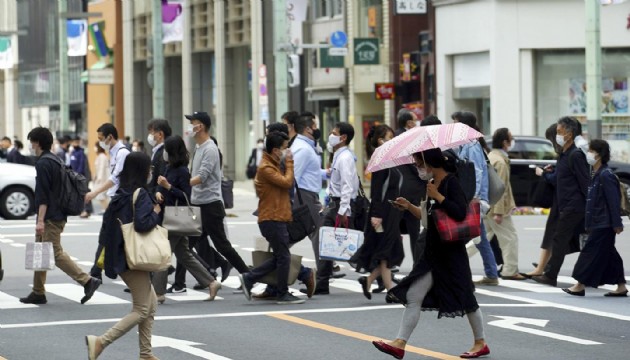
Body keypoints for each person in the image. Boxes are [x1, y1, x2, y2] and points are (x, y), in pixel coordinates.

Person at [372, 148, 489, 360]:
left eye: (418, 163)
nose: (417, 168)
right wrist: (408, 206)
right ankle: (399, 343)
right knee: (414, 295)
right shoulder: (432, 184)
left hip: (452, 252)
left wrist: (439, 196)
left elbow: (459, 212)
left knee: (466, 297)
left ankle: (480, 342)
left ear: (430, 163)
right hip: (433, 251)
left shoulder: (451, 183)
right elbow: (428, 218)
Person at [85, 152, 161, 360]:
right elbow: (143, 224)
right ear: (142, 170)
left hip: (121, 255)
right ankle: (101, 342)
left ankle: (146, 353)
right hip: (135, 258)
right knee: (142, 308)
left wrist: (98, 264)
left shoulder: (120, 195)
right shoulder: (141, 195)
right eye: (149, 169)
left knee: (150, 304)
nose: (151, 173)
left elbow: (105, 231)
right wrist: (156, 211)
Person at [19, 127, 101, 305]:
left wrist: (40, 220)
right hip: (58, 212)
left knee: (53, 252)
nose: (31, 145)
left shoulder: (43, 163)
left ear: (37, 143)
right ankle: (38, 291)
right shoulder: (55, 159)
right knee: (41, 252)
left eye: (32, 141)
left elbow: (43, 195)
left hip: (51, 216)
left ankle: (87, 280)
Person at [254, 115, 319, 300]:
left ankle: (301, 276)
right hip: (274, 209)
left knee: (281, 251)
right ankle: (277, 286)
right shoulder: (273, 158)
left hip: (281, 210)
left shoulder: (285, 158)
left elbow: (288, 183)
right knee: (279, 251)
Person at [152, 135, 222, 304]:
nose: (165, 154)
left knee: (163, 255)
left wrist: (169, 187)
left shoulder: (182, 171)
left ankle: (158, 293)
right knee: (184, 255)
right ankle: (211, 282)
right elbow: (161, 187)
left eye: (167, 151)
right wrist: (159, 192)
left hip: (175, 219)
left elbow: (187, 196)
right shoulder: (169, 168)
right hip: (169, 216)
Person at [238, 131, 306, 305]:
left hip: (277, 217)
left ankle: (249, 279)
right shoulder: (266, 168)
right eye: (285, 147)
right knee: (283, 256)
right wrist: (290, 163)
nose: (288, 151)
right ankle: (281, 293)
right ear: (276, 150)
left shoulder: (274, 164)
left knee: (280, 256)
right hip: (271, 218)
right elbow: (287, 182)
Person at [186, 111, 250, 275]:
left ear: (201, 127)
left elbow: (202, 176)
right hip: (198, 204)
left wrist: (182, 183)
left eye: (192, 123)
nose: (190, 127)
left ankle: (247, 274)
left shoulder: (210, 149)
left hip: (209, 206)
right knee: (186, 245)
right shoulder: (198, 147)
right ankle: (206, 275)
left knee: (222, 245)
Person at [563, 139, 627, 297]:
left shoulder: (606, 175)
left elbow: (613, 202)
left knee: (589, 252)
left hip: (604, 223)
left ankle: (579, 284)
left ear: (599, 155)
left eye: (591, 151)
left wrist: (617, 224)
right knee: (610, 254)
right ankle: (621, 286)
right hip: (598, 221)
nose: (588, 154)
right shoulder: (596, 174)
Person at [532, 117, 590, 287]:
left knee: (560, 239)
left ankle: (550, 275)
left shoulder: (575, 155)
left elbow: (585, 182)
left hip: (574, 206)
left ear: (569, 134)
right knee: (574, 240)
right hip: (567, 205)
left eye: (559, 132)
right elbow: (560, 178)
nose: (557, 136)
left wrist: (589, 206)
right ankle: (608, 275)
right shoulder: (565, 155)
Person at [355, 125, 404, 299]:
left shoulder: (391, 159)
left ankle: (368, 280)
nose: (392, 140)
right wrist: (376, 214)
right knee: (385, 251)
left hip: (392, 213)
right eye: (388, 137)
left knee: (390, 250)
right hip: (383, 214)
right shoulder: (380, 159)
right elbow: (376, 191)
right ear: (379, 140)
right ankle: (391, 290)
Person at [313, 122, 359, 294]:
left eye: (334, 133)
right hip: (334, 203)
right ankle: (322, 283)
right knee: (325, 241)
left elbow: (348, 186)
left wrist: (343, 210)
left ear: (343, 137)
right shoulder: (339, 155)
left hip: (339, 205)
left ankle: (377, 271)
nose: (330, 136)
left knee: (344, 242)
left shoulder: (345, 158)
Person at [85, 123, 131, 280]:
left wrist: (95, 192)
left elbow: (115, 178)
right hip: (116, 199)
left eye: (101, 138)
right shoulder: (113, 152)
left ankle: (96, 271)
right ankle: (96, 270)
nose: (100, 142)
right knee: (109, 235)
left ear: (110, 137)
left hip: (120, 200)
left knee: (110, 235)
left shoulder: (122, 153)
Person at [485, 128, 526, 281]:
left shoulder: (491, 156)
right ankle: (510, 271)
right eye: (511, 138)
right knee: (510, 239)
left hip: (488, 206)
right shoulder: (500, 162)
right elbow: (500, 189)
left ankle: (454, 262)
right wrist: (499, 212)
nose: (512, 141)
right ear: (505, 142)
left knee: (480, 238)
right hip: (496, 208)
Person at [521, 124, 560, 278]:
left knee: (556, 237)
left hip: (565, 203)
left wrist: (543, 174)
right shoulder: (567, 154)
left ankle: (544, 269)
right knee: (555, 236)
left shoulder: (569, 154)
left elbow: (559, 179)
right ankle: (544, 266)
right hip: (564, 202)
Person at [146, 118, 172, 196]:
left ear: (160, 134)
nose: (150, 135)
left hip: (159, 196)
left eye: (151, 132)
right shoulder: (157, 150)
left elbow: (162, 175)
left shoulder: (165, 152)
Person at [70, 136, 93, 218]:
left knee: (85, 193)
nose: (74, 144)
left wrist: (77, 176)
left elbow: (81, 166)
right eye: (73, 142)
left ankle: (87, 210)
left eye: (76, 142)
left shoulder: (81, 153)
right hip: (74, 176)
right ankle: (82, 210)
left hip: (81, 177)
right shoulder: (73, 153)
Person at [93, 142, 111, 212]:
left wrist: (99, 178)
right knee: (101, 195)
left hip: (103, 179)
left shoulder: (102, 156)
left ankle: (107, 210)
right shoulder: (100, 156)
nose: (94, 148)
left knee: (100, 195)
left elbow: (101, 168)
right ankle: (106, 209)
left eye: (95, 147)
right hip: (101, 178)